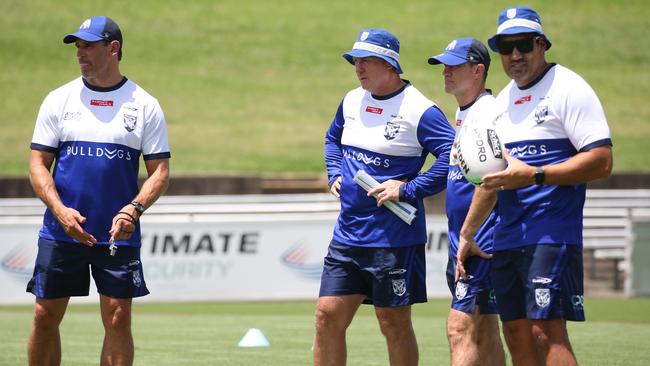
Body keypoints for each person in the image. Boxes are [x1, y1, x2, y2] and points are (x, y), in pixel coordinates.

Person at [456, 6, 613, 366]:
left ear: (541, 44)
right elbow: (491, 178)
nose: (515, 55)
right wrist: (468, 233)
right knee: (517, 333)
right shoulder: (501, 103)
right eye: (505, 47)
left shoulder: (569, 87)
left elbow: (602, 160)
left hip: (551, 232)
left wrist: (536, 174)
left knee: (546, 330)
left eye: (524, 45)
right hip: (507, 236)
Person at [26, 16, 171, 366]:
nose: (80, 53)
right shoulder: (58, 99)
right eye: (77, 46)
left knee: (118, 319)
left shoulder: (144, 104)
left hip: (116, 234)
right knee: (45, 316)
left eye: (88, 45)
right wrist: (61, 212)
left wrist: (132, 210)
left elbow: (160, 173)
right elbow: (37, 164)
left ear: (114, 48)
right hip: (62, 231)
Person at [313, 28, 455, 366]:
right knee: (326, 316)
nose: (358, 68)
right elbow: (333, 139)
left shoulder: (420, 109)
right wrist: (334, 172)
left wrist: (407, 188)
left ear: (389, 64)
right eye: (355, 62)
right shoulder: (350, 100)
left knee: (392, 322)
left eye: (365, 61)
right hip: (348, 234)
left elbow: (453, 155)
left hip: (394, 238)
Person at [428, 38, 506, 366]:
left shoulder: (488, 113)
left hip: (479, 240)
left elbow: (491, 182)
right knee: (486, 329)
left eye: (455, 66)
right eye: (444, 65)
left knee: (459, 328)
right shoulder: (465, 113)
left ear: (478, 71)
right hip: (470, 237)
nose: (446, 72)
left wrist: (468, 234)